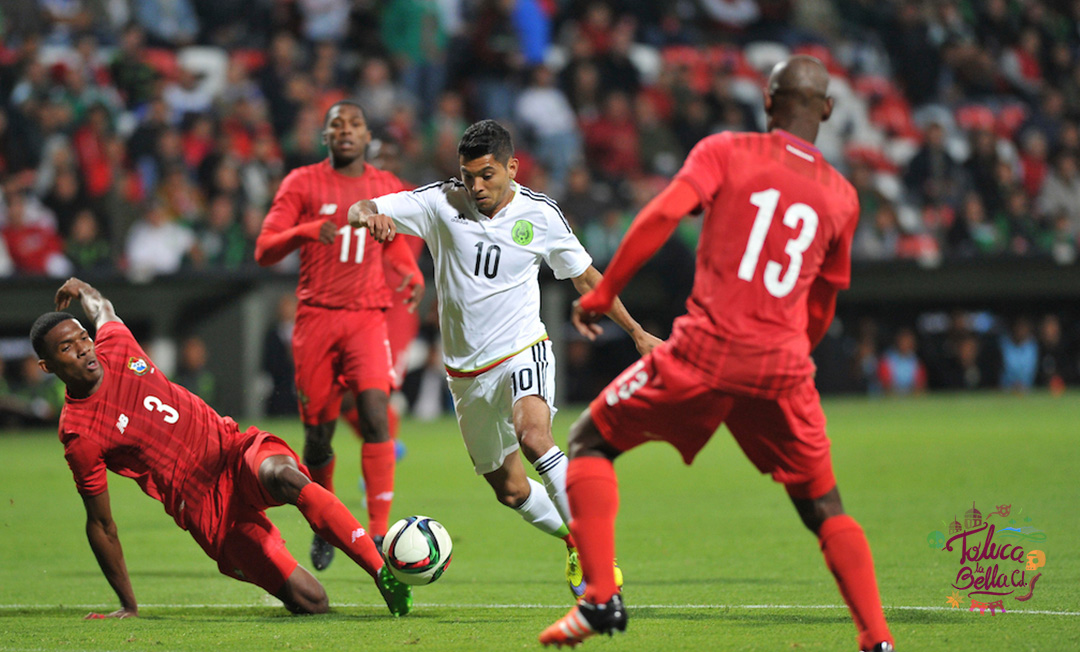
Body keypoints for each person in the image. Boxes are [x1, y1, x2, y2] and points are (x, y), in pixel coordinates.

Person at [537, 56, 895, 652]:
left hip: (705, 352)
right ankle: (877, 639)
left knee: (588, 442)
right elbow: (825, 301)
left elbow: (662, 213)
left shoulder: (728, 150)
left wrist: (606, 291)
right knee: (824, 507)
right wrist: (792, 358)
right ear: (828, 110)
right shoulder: (842, 196)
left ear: (767, 101)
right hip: (782, 368)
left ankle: (600, 595)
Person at [349, 119, 658, 598]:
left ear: (512, 168)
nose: (476, 186)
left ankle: (598, 559)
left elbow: (586, 277)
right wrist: (369, 216)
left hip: (522, 351)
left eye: (488, 175)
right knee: (510, 490)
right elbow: (359, 206)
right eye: (469, 175)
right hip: (465, 375)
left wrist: (637, 333)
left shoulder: (542, 216)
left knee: (535, 437)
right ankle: (574, 539)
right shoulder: (440, 202)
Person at [31, 278, 411, 618]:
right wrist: (128, 603)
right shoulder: (80, 434)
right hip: (205, 509)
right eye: (67, 347)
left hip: (232, 450)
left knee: (282, 475)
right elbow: (101, 524)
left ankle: (380, 571)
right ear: (47, 366)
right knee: (312, 602)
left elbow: (104, 310)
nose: (83, 349)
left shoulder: (115, 344)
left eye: (83, 337)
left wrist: (84, 290)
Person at [255, 100, 423, 571]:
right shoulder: (301, 183)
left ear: (368, 136)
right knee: (319, 439)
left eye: (355, 124)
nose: (346, 131)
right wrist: (309, 230)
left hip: (368, 317)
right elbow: (265, 248)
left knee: (375, 414)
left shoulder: (385, 186)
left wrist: (410, 272)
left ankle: (377, 533)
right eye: (337, 124)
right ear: (324, 136)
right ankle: (326, 522)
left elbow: (392, 243)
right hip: (316, 320)